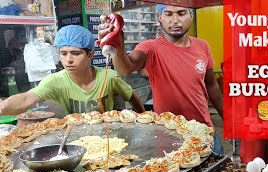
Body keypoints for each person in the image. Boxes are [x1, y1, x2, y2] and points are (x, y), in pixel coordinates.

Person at [98, 5, 224, 154]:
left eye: (181, 13)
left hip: (205, 131)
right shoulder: (151, 48)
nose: (175, 20)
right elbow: (126, 68)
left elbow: (211, 86)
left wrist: (229, 120)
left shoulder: (202, 46)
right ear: (159, 18)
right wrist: (118, 45)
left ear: (191, 16)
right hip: (169, 138)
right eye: (169, 14)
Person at [0, 25, 145, 116]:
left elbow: (132, 96)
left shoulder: (109, 77)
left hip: (110, 137)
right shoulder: (55, 81)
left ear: (90, 54)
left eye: (75, 53)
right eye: (63, 53)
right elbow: (26, 99)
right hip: (78, 139)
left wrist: (143, 117)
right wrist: (2, 107)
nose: (68, 60)